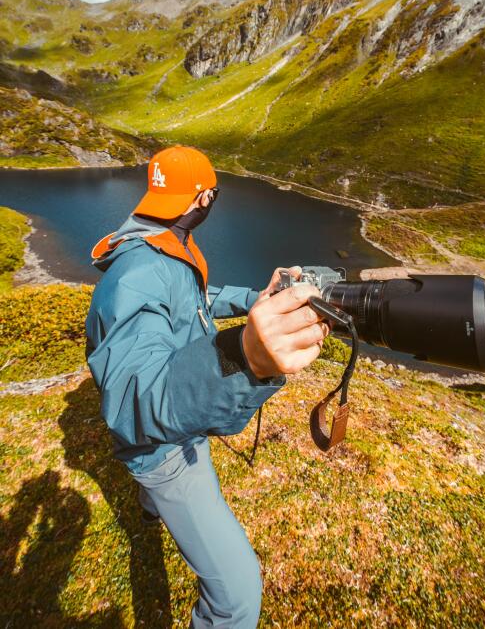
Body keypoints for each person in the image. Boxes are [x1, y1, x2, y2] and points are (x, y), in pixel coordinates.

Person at [85, 145, 329, 629]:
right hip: (164, 451)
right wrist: (244, 356)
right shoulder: (143, 271)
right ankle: (155, 495)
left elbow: (193, 299)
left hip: (174, 426)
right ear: (205, 198)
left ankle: (149, 506)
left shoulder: (159, 239)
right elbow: (138, 395)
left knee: (158, 491)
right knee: (237, 596)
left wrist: (253, 301)